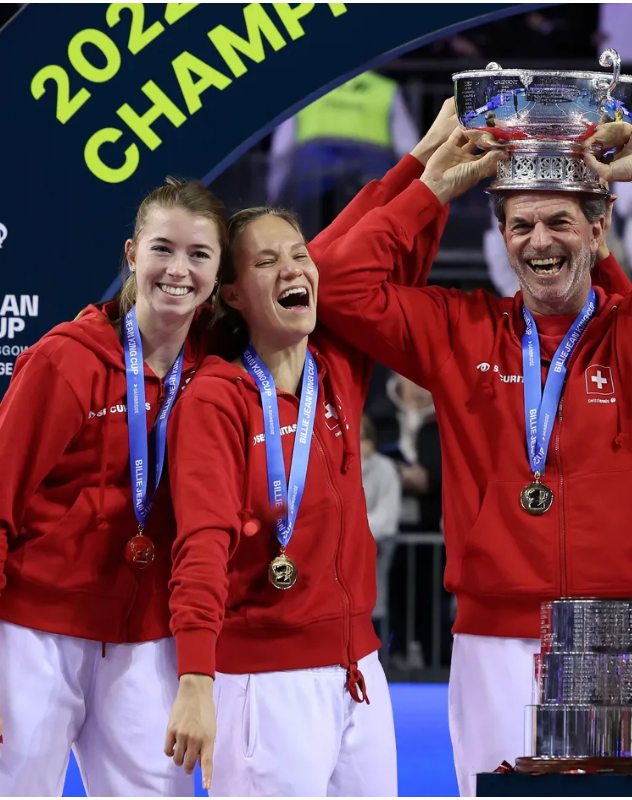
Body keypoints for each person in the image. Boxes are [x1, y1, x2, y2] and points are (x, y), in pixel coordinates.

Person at [313, 78, 632, 796]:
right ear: (500, 238)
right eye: (520, 225)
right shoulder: (456, 328)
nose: (538, 240)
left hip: (629, 627)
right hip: (493, 632)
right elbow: (334, 284)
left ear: (598, 228)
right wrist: (426, 179)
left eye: (558, 221)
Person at [162, 103, 457, 796]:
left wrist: (434, 160)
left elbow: (376, 255)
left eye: (299, 254)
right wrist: (196, 678)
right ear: (231, 294)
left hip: (360, 669)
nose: (295, 268)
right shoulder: (216, 396)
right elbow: (200, 543)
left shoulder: (337, 363)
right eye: (268, 261)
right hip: (262, 680)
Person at [0, 179, 228, 796]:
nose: (178, 270)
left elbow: (316, 269)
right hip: (32, 636)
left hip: (145, 639)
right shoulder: (65, 362)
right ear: (132, 255)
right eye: (163, 249)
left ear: (218, 272)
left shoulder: (217, 373)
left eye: (199, 255)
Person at [360, 415, 402, 631]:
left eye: (359, 438)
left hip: (373, 553)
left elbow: (386, 519)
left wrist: (348, 531)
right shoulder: (328, 466)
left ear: (370, 442)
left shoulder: (385, 468)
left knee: (372, 617)